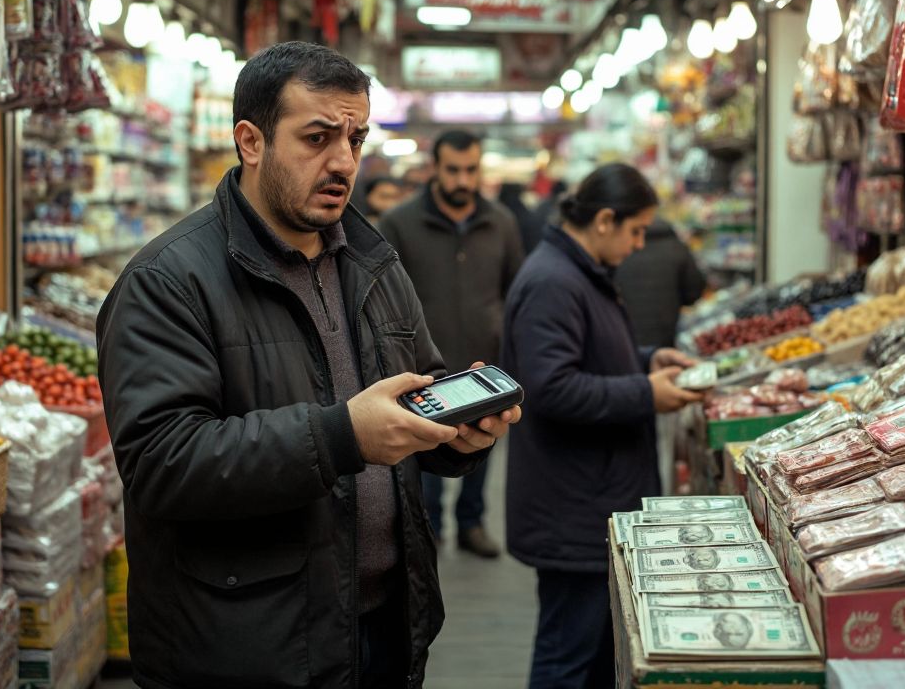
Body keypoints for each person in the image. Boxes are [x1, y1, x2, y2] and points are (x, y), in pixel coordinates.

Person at [96, 41, 519, 689]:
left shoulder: (373, 262)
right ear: (251, 141)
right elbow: (161, 463)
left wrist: (456, 437)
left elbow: (418, 385)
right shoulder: (168, 281)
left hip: (382, 626)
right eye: (318, 137)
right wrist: (342, 436)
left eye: (356, 138)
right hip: (249, 648)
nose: (344, 161)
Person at [502, 163, 704, 689]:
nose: (639, 245)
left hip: (589, 498)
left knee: (591, 656)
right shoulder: (553, 281)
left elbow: (590, 357)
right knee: (566, 657)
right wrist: (646, 393)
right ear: (604, 220)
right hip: (574, 507)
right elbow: (552, 388)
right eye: (636, 231)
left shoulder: (580, 272)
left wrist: (644, 360)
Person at [379, 130, 524, 558]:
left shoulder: (501, 222)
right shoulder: (400, 224)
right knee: (423, 453)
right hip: (422, 369)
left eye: (471, 170)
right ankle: (430, 529)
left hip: (482, 368)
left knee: (481, 444)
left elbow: (514, 290)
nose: (463, 180)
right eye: (454, 170)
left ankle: (471, 524)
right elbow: (384, 297)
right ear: (435, 169)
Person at [616, 217, 707, 349]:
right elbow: (694, 292)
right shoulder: (677, 248)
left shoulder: (621, 249)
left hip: (625, 334)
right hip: (665, 332)